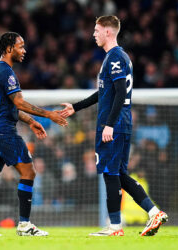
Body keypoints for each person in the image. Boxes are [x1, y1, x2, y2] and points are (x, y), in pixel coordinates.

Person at [60, 15, 167, 236]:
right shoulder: (118, 57)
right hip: (121, 123)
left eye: (97, 30)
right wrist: (76, 107)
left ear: (108, 32)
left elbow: (119, 93)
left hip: (114, 124)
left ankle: (115, 226)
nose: (93, 34)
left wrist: (109, 124)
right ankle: (154, 212)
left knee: (110, 173)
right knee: (119, 174)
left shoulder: (115, 57)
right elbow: (105, 92)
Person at [0, 32, 68, 237]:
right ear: (8, 48)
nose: (24, 51)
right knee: (29, 172)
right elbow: (19, 102)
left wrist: (31, 121)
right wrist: (48, 115)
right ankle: (24, 225)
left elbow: (8, 107)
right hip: (2, 130)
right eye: (20, 46)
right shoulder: (6, 72)